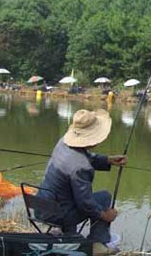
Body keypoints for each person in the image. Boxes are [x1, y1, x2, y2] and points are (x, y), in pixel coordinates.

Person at [38, 109, 127, 255]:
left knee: (72, 198)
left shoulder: (63, 143)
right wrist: (106, 216)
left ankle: (70, 236)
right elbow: (85, 204)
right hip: (58, 214)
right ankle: (97, 243)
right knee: (103, 196)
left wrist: (108, 160)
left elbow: (84, 157)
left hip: (42, 206)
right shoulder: (81, 167)